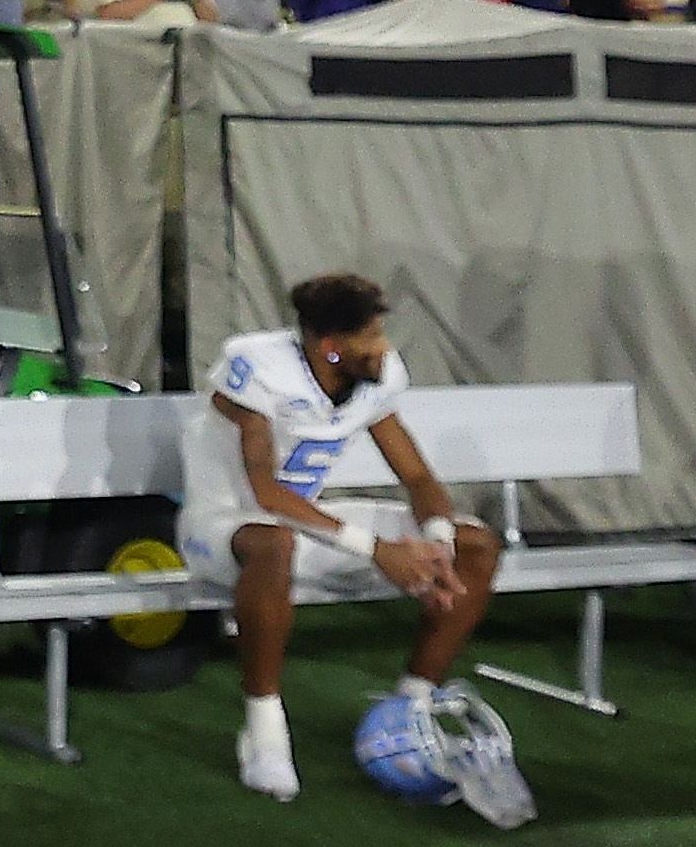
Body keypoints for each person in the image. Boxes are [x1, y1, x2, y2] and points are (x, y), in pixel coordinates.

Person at [183, 272, 502, 803]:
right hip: (221, 529)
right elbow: (264, 492)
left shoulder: (373, 378)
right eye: (370, 338)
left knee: (477, 544)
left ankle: (408, 709)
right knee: (273, 543)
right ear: (331, 349)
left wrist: (437, 541)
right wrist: (378, 551)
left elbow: (418, 478)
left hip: (306, 529)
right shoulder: (257, 369)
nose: (383, 348)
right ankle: (264, 734)